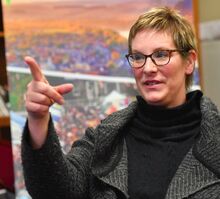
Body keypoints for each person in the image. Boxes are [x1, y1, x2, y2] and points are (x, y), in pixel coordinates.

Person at [21, 6, 220, 199]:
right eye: (138, 57)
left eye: (161, 55)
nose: (148, 68)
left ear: (189, 61)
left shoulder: (215, 137)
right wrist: (38, 119)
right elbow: (54, 190)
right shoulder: (107, 136)